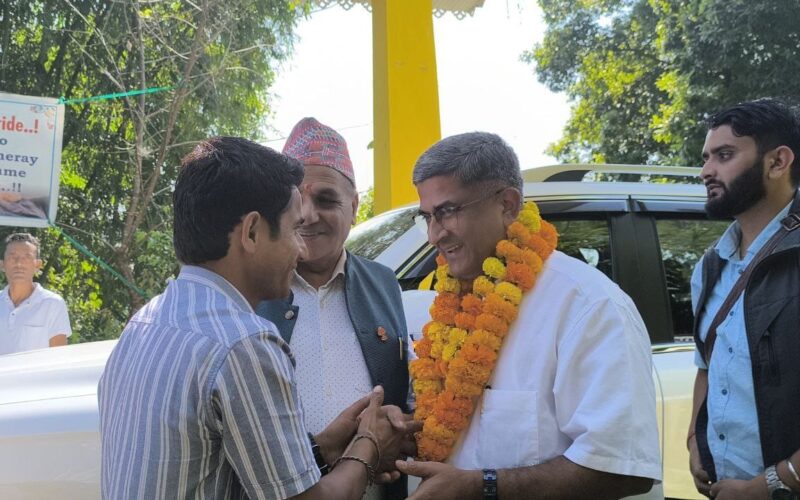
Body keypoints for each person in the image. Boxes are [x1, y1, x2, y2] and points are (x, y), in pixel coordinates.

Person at [98, 136, 416, 499]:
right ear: (251, 232)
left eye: (326, 200)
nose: (301, 248)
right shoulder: (244, 343)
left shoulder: (145, 321)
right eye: (295, 228)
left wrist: (324, 448)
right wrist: (368, 445)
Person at [394, 132, 662, 499]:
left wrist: (481, 487)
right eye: (426, 216)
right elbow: (464, 428)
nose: (434, 234)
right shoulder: (452, 306)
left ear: (508, 204)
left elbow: (622, 468)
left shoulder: (588, 306)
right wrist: (404, 434)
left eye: (446, 212)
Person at [256, 118, 412, 499]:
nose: (307, 214)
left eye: (326, 199)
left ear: (355, 206)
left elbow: (403, 394)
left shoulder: (383, 282)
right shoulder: (252, 285)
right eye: (294, 200)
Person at [688, 98, 800, 500]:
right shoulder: (710, 266)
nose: (706, 171)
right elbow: (706, 362)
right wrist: (693, 440)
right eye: (706, 158)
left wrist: (770, 485)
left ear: (777, 162)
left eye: (724, 155)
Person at [0, 232, 71, 355]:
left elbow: (59, 359)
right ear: (2, 265)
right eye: (12, 257)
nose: (19, 263)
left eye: (26, 257)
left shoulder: (53, 304)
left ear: (37, 265)